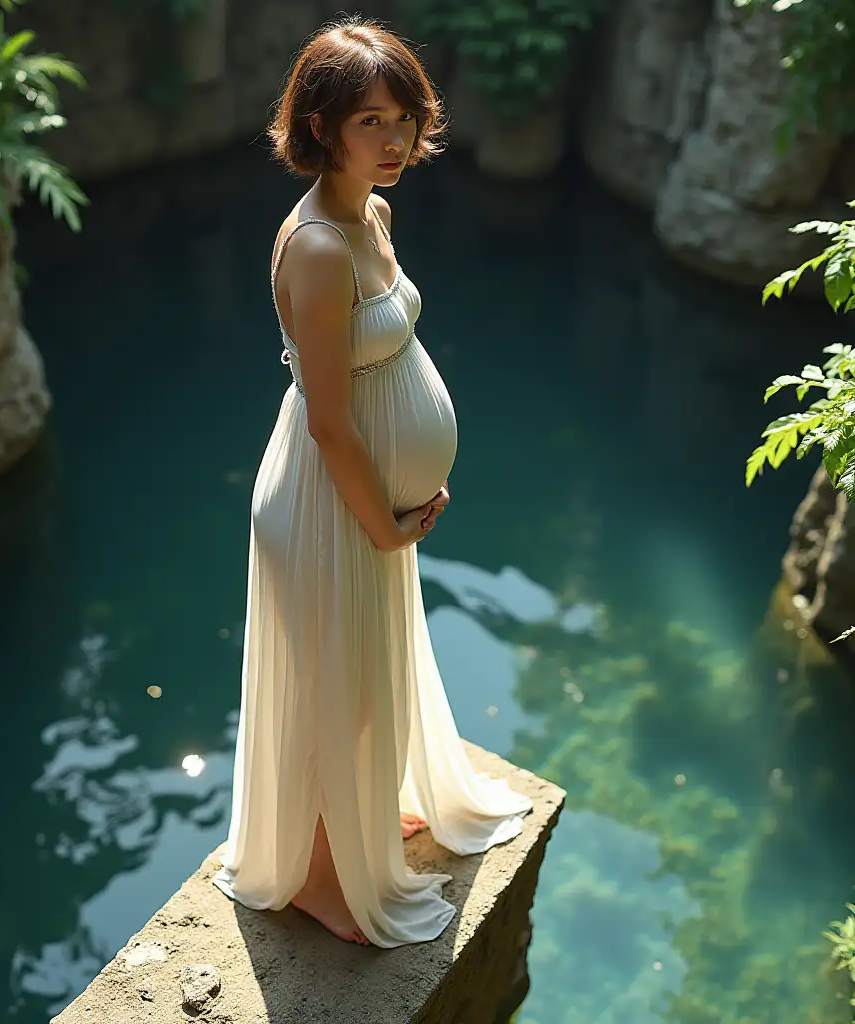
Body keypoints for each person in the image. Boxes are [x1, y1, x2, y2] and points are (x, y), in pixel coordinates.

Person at [212, 14, 532, 948]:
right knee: (332, 690)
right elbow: (327, 418)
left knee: (365, 666)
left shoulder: (375, 216)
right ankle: (317, 877)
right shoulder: (316, 249)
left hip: (370, 502)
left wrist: (401, 502)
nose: (394, 141)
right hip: (329, 503)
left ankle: (355, 817)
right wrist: (384, 524)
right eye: (369, 122)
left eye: (403, 117)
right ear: (320, 128)